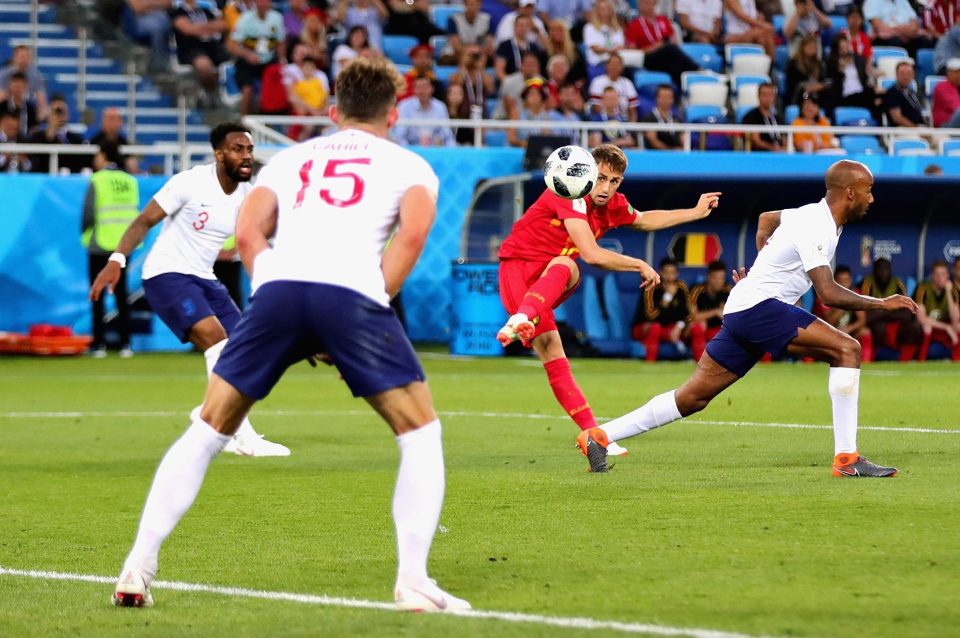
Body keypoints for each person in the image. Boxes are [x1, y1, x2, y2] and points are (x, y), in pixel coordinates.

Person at [111, 56, 470, 613]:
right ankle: (413, 580)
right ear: (394, 114)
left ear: (333, 112)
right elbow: (414, 234)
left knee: (207, 429)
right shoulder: (410, 165)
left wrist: (275, 294)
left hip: (278, 291)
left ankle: (137, 567)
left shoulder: (289, 159)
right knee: (419, 433)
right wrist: (369, 301)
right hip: (353, 293)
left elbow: (250, 233)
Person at [577, 160, 917, 477]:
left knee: (693, 397)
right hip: (758, 307)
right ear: (850, 193)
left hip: (746, 306)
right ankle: (847, 459)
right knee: (848, 349)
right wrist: (883, 304)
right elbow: (827, 293)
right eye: (869, 190)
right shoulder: (816, 224)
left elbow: (766, 219)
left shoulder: (809, 215)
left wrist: (760, 270)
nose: (872, 198)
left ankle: (600, 435)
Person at [496, 143, 720, 456]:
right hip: (519, 273)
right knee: (570, 267)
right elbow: (591, 253)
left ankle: (595, 437)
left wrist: (694, 212)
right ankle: (523, 317)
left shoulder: (613, 204)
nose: (605, 188)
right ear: (586, 172)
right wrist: (639, 263)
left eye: (613, 181)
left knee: (557, 339)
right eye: (600, 178)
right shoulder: (569, 191)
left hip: (545, 284)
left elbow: (644, 219)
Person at [90, 122, 289, 458]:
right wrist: (118, 259)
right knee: (216, 338)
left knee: (244, 349)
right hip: (166, 274)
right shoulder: (191, 181)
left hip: (204, 277)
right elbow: (144, 220)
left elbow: (268, 242)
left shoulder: (247, 196)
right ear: (219, 153)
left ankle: (207, 413)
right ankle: (241, 436)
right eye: (238, 149)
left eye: (250, 150)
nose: (246, 156)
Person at [83, 143, 139, 358]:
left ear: (104, 155)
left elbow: (88, 214)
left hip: (100, 243)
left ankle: (99, 344)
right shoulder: (130, 181)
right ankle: (126, 343)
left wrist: (85, 234)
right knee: (121, 295)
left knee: (97, 293)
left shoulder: (97, 180)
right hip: (123, 245)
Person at [227, 0, 287, 116]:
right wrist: (247, 54)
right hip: (247, 61)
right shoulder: (245, 19)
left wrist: (282, 60)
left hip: (268, 60)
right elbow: (232, 45)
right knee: (247, 90)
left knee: (275, 88)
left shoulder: (277, 18)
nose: (262, 4)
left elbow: (281, 42)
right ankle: (243, 119)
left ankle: (270, 122)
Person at [624, 0, 701, 88]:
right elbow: (632, 51)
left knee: (674, 66)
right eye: (644, 3)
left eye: (650, 3)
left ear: (655, 4)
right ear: (639, 5)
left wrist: (664, 45)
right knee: (669, 49)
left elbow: (673, 40)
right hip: (648, 57)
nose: (648, 6)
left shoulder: (663, 20)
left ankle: (687, 88)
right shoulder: (634, 25)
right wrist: (653, 48)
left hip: (666, 57)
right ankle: (698, 70)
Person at [860, 257, 923, 361]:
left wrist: (884, 312)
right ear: (875, 270)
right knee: (878, 327)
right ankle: (874, 357)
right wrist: (888, 308)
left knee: (914, 327)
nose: (883, 272)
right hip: (875, 323)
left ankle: (905, 360)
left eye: (886, 269)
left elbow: (907, 311)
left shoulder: (898, 283)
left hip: (895, 321)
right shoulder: (867, 283)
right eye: (880, 269)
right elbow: (866, 313)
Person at [171, 0, 230, 107]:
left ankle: (226, 94)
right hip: (191, 49)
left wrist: (199, 28)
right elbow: (187, 29)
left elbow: (223, 25)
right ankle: (212, 91)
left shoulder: (206, 10)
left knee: (233, 59)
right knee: (204, 65)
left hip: (213, 47)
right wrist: (209, 27)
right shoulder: (178, 12)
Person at [631, 258, 691, 362]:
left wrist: (679, 326)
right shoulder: (650, 287)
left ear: (677, 274)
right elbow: (651, 317)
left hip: (667, 329)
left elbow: (686, 313)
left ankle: (696, 364)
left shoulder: (681, 288)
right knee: (655, 327)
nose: (669, 277)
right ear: (660, 273)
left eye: (673, 273)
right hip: (643, 328)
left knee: (692, 328)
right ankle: (650, 363)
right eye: (666, 273)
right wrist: (667, 297)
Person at [813, 264, 874, 362]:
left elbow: (862, 320)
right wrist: (842, 301)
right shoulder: (825, 295)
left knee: (865, 332)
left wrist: (849, 328)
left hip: (847, 331)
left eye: (846, 280)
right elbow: (829, 321)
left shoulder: (855, 294)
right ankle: (808, 363)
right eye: (840, 281)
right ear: (834, 281)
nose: (844, 284)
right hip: (826, 333)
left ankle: (866, 362)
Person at [27, 94, 87, 174]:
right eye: (56, 112)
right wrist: (50, 133)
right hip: (44, 178)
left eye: (62, 112)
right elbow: (36, 160)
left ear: (68, 115)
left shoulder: (76, 139)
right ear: (49, 114)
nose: (59, 115)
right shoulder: (37, 136)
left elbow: (80, 162)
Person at [915, 260, 960, 360]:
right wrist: (945, 327)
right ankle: (921, 359)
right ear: (932, 275)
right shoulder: (923, 288)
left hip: (945, 330)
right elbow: (921, 318)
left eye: (943, 274)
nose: (940, 278)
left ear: (947, 275)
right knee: (927, 329)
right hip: (931, 327)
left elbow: (955, 319)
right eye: (937, 274)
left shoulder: (953, 290)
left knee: (958, 327)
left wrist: (948, 292)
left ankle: (954, 359)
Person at [394, 75, 456, 147]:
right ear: (414, 90)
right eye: (419, 87)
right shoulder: (404, 106)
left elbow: (448, 136)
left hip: (436, 151)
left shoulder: (440, 107)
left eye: (425, 87)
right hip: (412, 151)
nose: (422, 91)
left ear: (432, 89)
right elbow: (400, 137)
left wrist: (445, 145)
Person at [687, 260, 730, 362]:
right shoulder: (696, 290)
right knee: (699, 325)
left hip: (716, 329)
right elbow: (694, 316)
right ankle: (700, 362)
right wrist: (715, 312)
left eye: (722, 278)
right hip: (693, 330)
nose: (719, 281)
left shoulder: (727, 290)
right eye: (716, 278)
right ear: (709, 277)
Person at [863, 0, 935, 60]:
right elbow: (879, 26)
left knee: (925, 41)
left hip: (907, 36)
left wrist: (905, 32)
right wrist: (902, 32)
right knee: (896, 41)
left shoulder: (903, 1)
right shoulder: (872, 2)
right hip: (885, 38)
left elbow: (914, 23)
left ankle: (917, 72)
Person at [0, 45, 49, 122]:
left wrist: (37, 118)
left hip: (29, 113)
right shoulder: (4, 74)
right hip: (8, 112)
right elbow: (1, 99)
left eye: (26, 56)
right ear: (14, 57)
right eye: (21, 56)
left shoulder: (37, 76)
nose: (23, 60)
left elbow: (42, 103)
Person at [442, 0, 494, 65]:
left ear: (480, 5)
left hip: (479, 53)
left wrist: (477, 52)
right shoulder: (453, 19)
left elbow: (489, 44)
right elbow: (456, 46)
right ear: (465, 5)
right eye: (470, 4)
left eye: (475, 4)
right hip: (457, 53)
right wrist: (470, 52)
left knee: (493, 58)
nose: (472, 7)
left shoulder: (487, 19)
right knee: (464, 59)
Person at [582, 0, 625, 78]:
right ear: (596, 11)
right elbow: (595, 48)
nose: (603, 11)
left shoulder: (617, 28)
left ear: (611, 10)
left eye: (606, 8)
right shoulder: (589, 28)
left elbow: (620, 45)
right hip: (597, 63)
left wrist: (612, 51)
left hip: (614, 63)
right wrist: (610, 50)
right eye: (601, 8)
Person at [742, 82, 785, 151]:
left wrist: (785, 148)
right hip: (761, 155)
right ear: (758, 96)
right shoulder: (751, 116)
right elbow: (756, 142)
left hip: (780, 154)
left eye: (770, 95)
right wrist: (774, 149)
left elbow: (784, 138)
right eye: (764, 95)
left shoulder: (778, 117)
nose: (768, 98)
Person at [882, 61, 925, 128]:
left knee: (942, 136)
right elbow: (897, 118)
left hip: (919, 127)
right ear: (896, 75)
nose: (905, 77)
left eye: (909, 74)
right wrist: (916, 129)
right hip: (902, 129)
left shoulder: (911, 92)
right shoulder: (892, 93)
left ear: (913, 75)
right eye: (902, 74)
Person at [643, 84, 685, 150]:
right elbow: (654, 142)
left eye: (669, 97)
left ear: (673, 99)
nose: (666, 100)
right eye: (663, 97)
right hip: (656, 155)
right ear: (657, 98)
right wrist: (670, 151)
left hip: (676, 155)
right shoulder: (649, 118)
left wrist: (682, 149)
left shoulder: (677, 119)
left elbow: (684, 140)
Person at [931, 58, 960, 128]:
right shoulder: (941, 87)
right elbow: (955, 106)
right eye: (956, 72)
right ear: (948, 73)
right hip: (944, 125)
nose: (959, 75)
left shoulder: (957, 86)